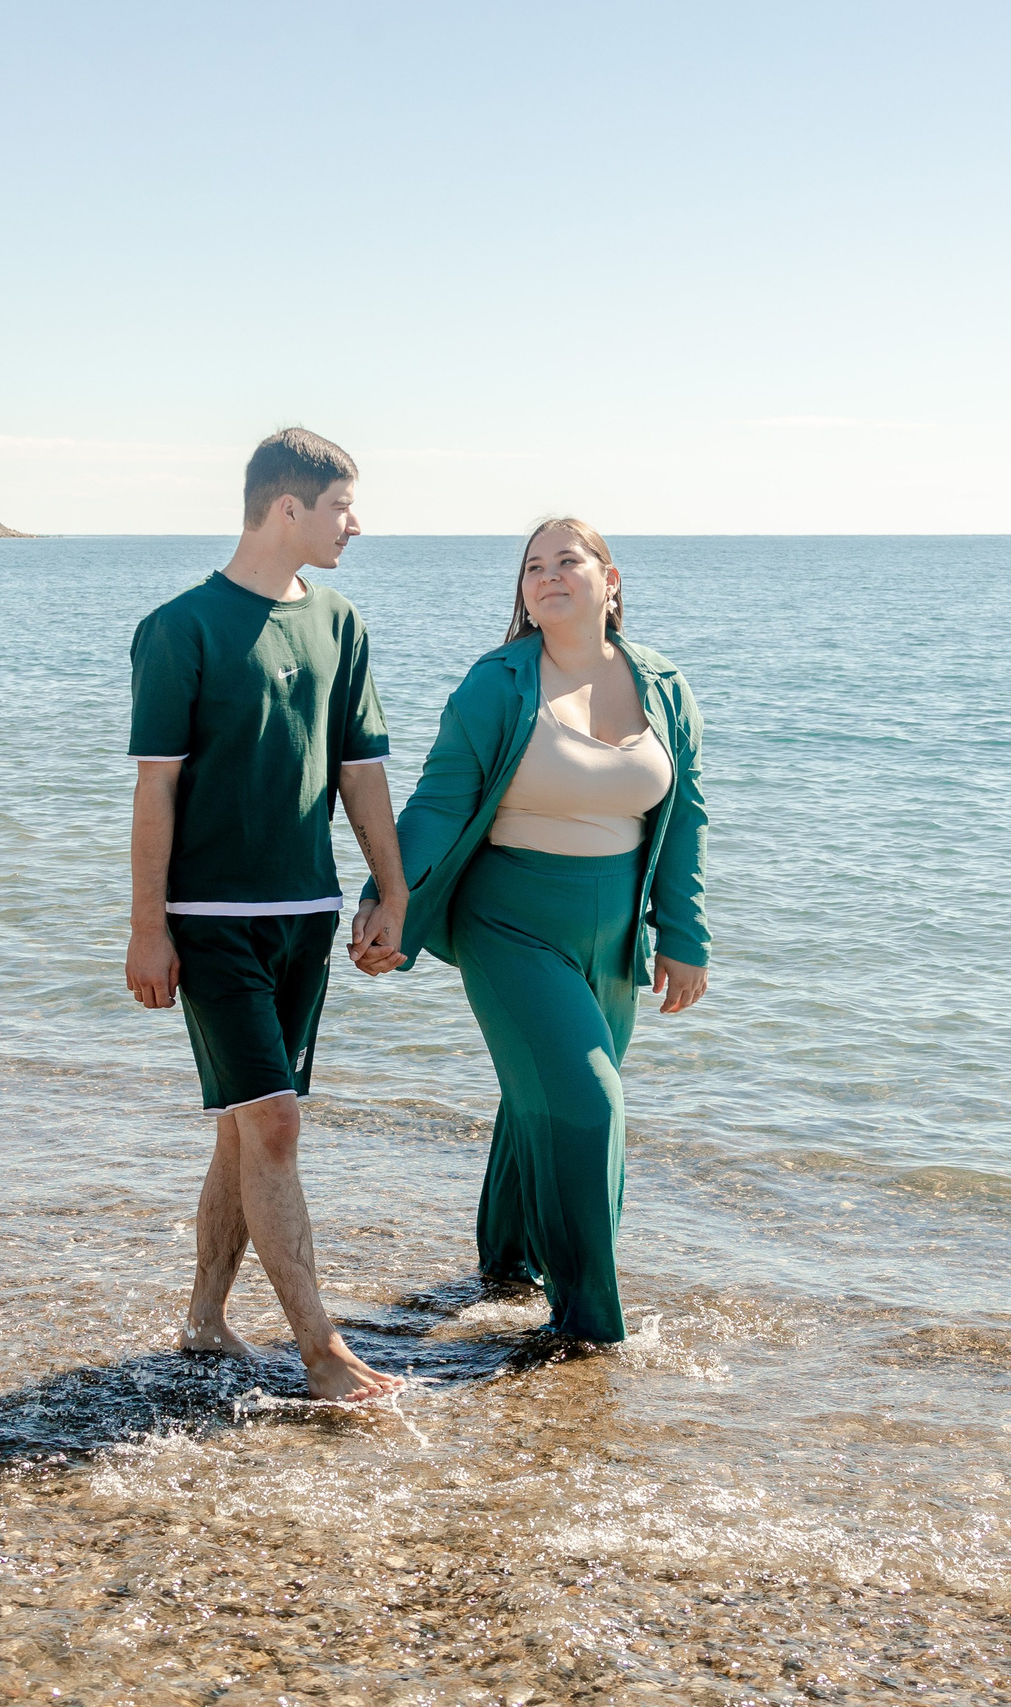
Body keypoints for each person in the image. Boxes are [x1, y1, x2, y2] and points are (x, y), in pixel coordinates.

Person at [364, 518, 710, 1343]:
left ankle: (507, 1262)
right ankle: (588, 1321)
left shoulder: (664, 684)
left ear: (611, 577)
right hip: (509, 921)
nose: (549, 576)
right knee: (589, 1102)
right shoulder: (499, 683)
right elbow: (440, 800)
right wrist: (389, 897)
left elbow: (684, 814)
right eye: (532, 567)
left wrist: (684, 934)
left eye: (568, 560)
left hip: (614, 933)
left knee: (539, 1103)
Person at [124, 427, 410, 1401]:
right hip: (208, 920)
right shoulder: (181, 628)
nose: (355, 525)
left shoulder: (340, 624)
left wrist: (393, 888)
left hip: (309, 917)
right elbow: (154, 790)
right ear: (286, 507)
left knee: (245, 1131)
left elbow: (361, 771)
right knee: (277, 1126)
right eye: (341, 507)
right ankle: (322, 1356)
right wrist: (145, 925)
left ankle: (204, 1321)